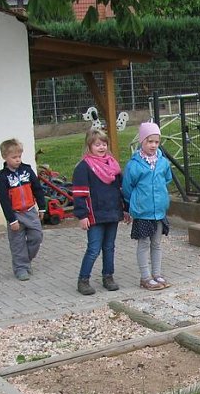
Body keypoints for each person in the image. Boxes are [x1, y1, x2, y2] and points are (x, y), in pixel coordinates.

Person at [72, 128, 130, 295]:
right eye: (97, 144)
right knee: (94, 248)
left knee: (110, 247)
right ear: (89, 146)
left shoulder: (113, 165)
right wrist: (82, 215)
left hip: (112, 212)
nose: (102, 147)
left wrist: (125, 209)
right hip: (94, 215)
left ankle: (108, 276)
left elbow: (120, 189)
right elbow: (79, 194)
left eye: (104, 144)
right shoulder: (84, 167)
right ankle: (83, 279)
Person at [122, 122, 173, 290]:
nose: (153, 145)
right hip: (143, 212)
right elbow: (128, 187)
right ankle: (145, 277)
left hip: (159, 211)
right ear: (142, 141)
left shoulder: (163, 162)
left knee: (156, 244)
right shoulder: (134, 164)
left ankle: (157, 274)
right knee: (144, 244)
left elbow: (167, 179)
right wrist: (131, 205)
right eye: (149, 141)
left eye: (156, 142)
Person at [0, 138, 46, 281]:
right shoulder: (2, 176)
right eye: (14, 157)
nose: (18, 160)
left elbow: (37, 189)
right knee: (17, 243)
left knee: (36, 236)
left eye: (19, 156)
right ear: (5, 157)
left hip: (30, 211)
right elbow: (4, 200)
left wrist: (42, 208)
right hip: (15, 214)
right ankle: (20, 268)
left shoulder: (27, 170)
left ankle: (25, 261)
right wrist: (11, 220)